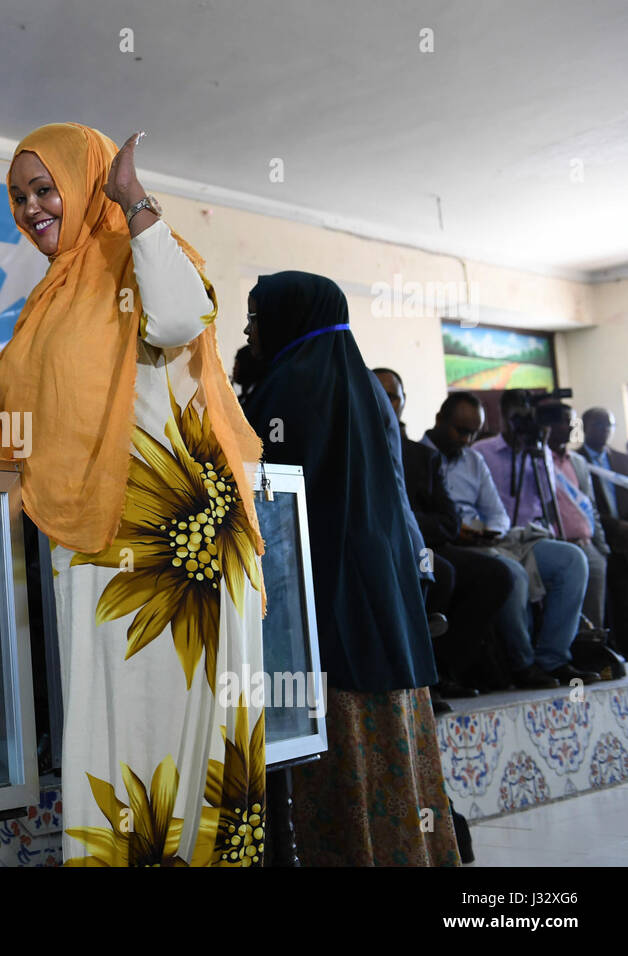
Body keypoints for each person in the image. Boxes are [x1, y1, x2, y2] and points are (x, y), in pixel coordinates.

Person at [0, 124, 267, 866]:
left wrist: (135, 200)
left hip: (172, 552)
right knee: (110, 733)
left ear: (88, 181)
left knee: (178, 738)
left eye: (45, 187)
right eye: (19, 196)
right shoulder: (51, 299)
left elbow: (185, 317)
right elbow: (17, 409)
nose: (30, 207)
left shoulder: (141, 250)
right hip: (93, 549)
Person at [242, 271, 459, 867]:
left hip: (324, 600)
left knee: (337, 746)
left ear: (289, 319)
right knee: (392, 745)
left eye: (256, 317)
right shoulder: (363, 385)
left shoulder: (287, 387)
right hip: (383, 593)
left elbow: (259, 491)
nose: (248, 329)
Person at [373, 369, 514, 698]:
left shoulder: (422, 457)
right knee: (439, 572)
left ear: (404, 402)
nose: (384, 401)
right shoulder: (350, 449)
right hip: (379, 548)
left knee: (498, 575)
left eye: (392, 395)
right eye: (378, 393)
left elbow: (449, 520)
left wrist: (407, 521)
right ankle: (419, 679)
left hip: (428, 545)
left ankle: (446, 670)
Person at [469, 389, 598, 685]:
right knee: (515, 576)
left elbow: (549, 500)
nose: (521, 425)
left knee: (573, 560)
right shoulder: (481, 452)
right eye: (516, 417)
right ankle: (523, 666)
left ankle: (553, 659)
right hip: (494, 539)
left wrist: (537, 452)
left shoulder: (541, 452)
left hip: (532, 538)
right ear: (502, 416)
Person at [549, 409, 609, 630]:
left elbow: (590, 506)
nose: (572, 427)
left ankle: (595, 656)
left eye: (572, 421)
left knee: (595, 620)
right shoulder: (541, 460)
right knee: (566, 619)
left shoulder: (578, 462)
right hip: (561, 547)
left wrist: (601, 548)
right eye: (565, 422)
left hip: (589, 547)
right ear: (550, 425)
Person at [575, 407, 628, 649]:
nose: (605, 431)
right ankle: (611, 647)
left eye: (609, 426)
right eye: (599, 425)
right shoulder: (575, 462)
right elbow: (582, 504)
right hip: (599, 537)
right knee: (612, 599)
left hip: (626, 537)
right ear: (585, 427)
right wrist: (614, 524)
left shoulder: (622, 460)